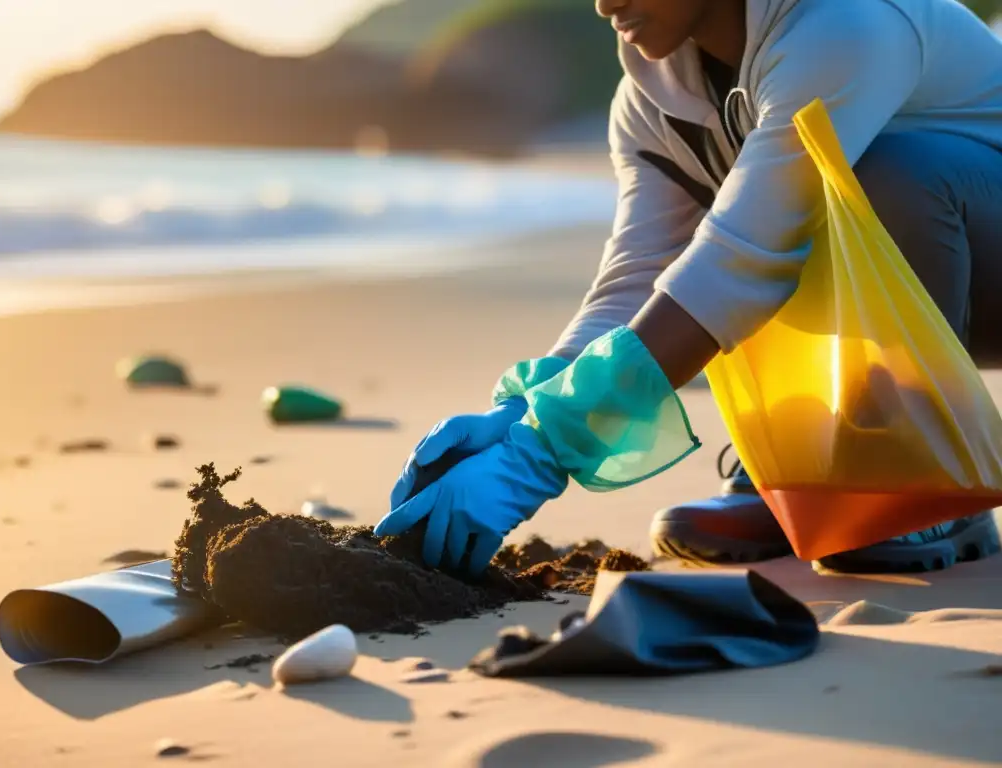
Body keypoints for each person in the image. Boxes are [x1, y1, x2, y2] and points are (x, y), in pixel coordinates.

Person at [376, 0, 1002, 576]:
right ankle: (811, 472)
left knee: (882, 178)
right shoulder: (649, 101)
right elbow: (638, 276)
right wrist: (524, 412)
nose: (604, 3)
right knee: (741, 222)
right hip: (928, 277)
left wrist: (541, 455)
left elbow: (747, 256)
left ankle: (929, 478)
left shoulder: (848, 22)